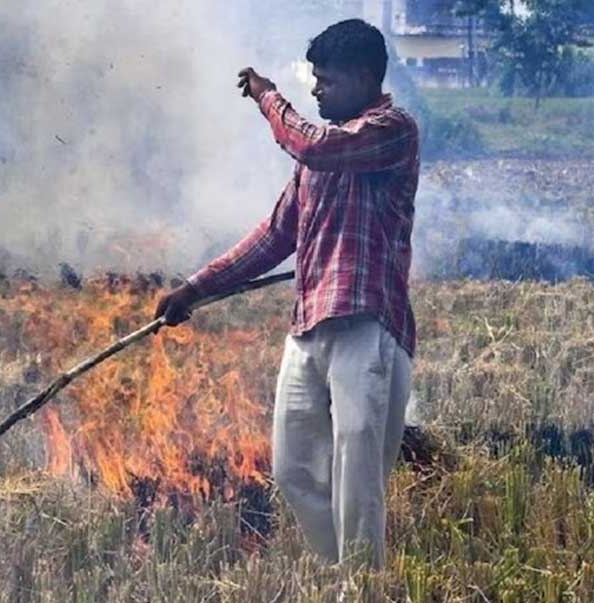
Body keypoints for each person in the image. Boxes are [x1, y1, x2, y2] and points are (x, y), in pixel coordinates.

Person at [154, 18, 420, 568]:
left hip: (366, 325)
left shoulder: (391, 130)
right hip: (308, 328)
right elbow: (274, 237)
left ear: (367, 78)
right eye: (313, 79)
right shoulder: (315, 161)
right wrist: (194, 290)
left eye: (328, 80)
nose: (317, 89)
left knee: (357, 475)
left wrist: (266, 95)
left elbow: (312, 143)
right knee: (294, 470)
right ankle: (341, 577)